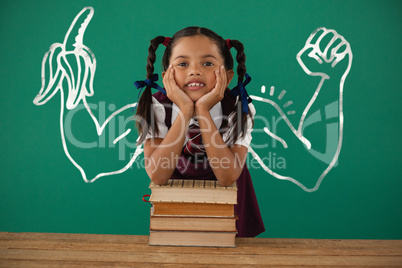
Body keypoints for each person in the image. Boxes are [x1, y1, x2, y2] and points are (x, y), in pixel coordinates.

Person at [134, 26, 264, 237]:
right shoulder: (157, 106)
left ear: (227, 76)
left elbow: (227, 176)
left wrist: (202, 110)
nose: (195, 71)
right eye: (183, 64)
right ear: (167, 76)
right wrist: (185, 110)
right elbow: (158, 174)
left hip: (229, 209)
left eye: (208, 63)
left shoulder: (239, 108)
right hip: (177, 204)